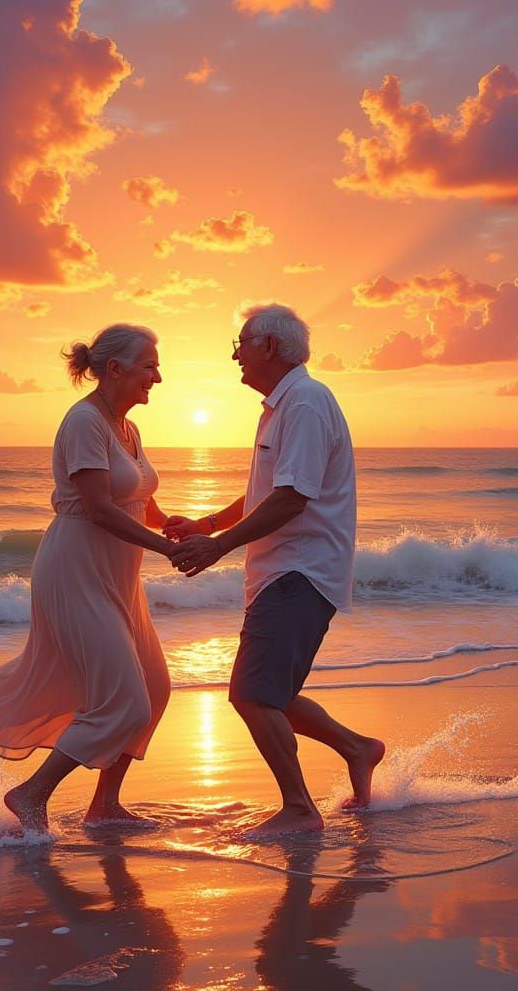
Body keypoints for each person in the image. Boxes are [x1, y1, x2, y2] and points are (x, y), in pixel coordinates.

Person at [165, 304, 385, 839]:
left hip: (299, 570)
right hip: (284, 571)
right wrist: (208, 521)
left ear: (269, 346)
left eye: (240, 342)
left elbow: (290, 499)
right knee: (274, 694)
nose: (235, 353)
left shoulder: (305, 403)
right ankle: (359, 749)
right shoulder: (283, 405)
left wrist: (216, 547)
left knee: (251, 694)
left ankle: (299, 808)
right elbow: (268, 489)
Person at [0, 324, 177, 834]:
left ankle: (105, 805)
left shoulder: (127, 429)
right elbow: (97, 507)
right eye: (149, 366)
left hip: (120, 578)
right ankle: (30, 795)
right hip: (76, 570)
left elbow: (138, 499)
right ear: (115, 369)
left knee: (155, 690)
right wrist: (164, 548)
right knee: (124, 699)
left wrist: (180, 526)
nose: (158, 377)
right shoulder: (84, 422)